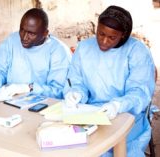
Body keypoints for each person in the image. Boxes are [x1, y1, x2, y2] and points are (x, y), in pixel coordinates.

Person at [63, 5, 155, 157]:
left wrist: (118, 105)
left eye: (112, 37)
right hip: (90, 114)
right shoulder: (84, 47)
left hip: (127, 116)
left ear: (123, 35)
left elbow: (140, 91)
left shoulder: (137, 51)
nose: (104, 41)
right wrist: (76, 93)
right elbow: (76, 80)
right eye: (100, 33)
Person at [0, 8, 71, 99]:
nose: (24, 37)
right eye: (22, 30)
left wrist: (28, 88)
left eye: (31, 34)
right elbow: (0, 69)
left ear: (45, 33)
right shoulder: (11, 41)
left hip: (42, 105)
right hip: (8, 99)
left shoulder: (58, 51)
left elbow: (58, 90)